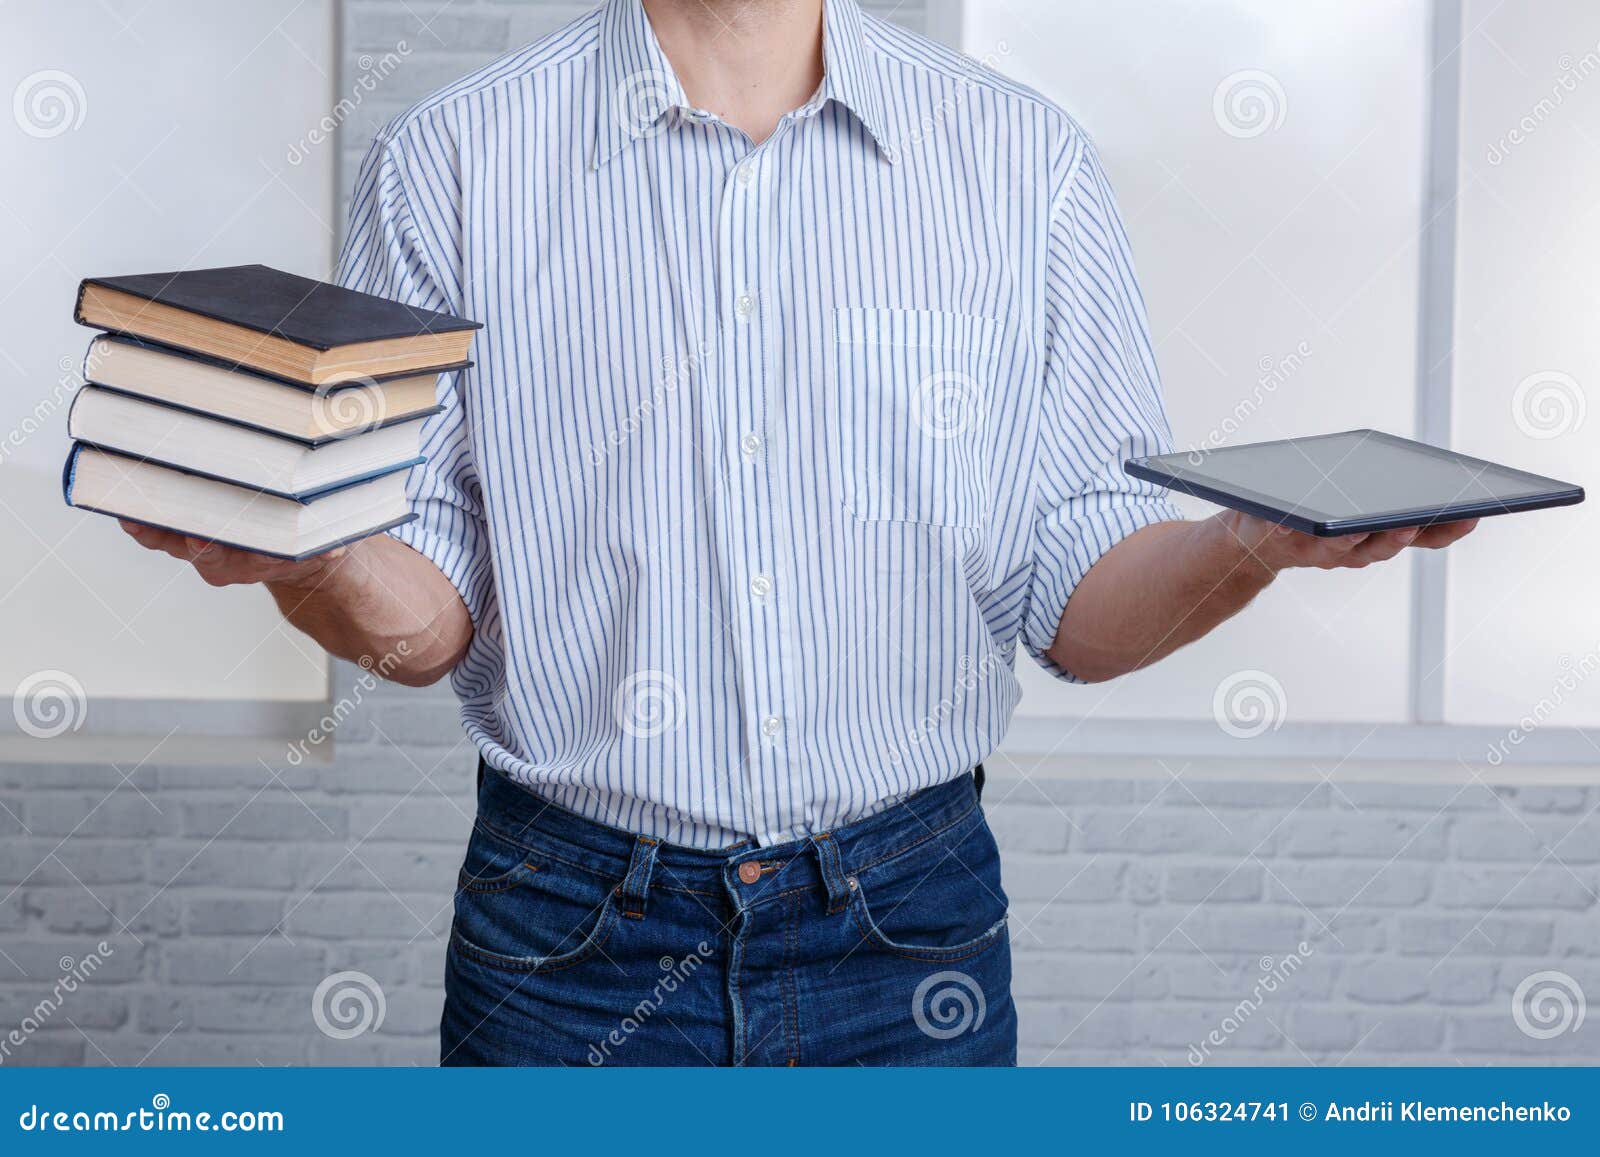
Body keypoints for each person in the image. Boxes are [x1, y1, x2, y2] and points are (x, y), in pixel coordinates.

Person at [120, 0, 1475, 1065]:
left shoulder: (1023, 163)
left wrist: (1249, 543)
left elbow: (1078, 605)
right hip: (566, 939)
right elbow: (431, 616)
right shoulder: (453, 162)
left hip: (907, 928)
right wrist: (314, 555)